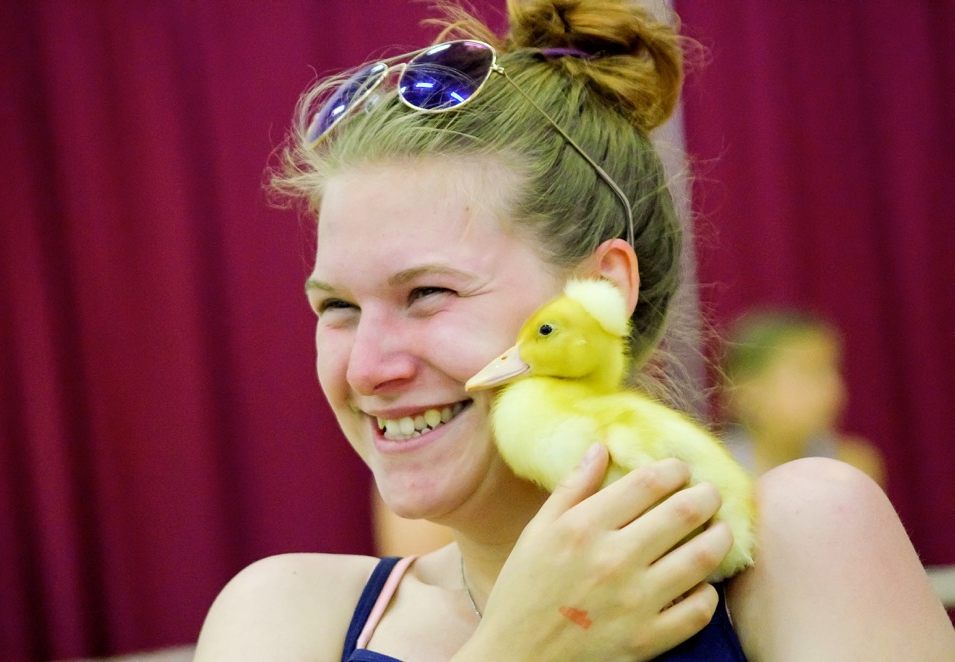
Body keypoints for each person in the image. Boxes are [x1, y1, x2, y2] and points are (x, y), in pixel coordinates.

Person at [194, 1, 955, 659]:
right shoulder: (284, 614)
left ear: (601, 289)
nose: (366, 367)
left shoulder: (798, 542)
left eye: (427, 292)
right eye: (337, 308)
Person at [720, 310, 886, 486]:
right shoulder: (717, 474)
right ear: (746, 393)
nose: (834, 388)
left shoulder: (854, 467)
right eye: (810, 371)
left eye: (834, 370)